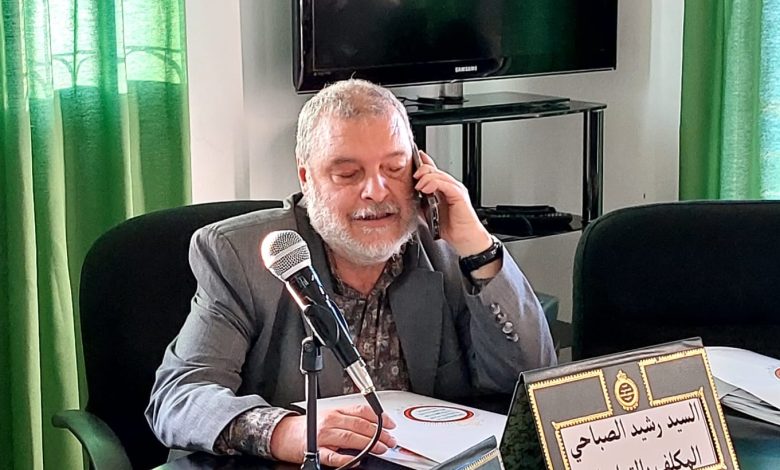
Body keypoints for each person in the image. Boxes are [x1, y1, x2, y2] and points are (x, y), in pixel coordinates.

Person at [146, 79, 556, 466]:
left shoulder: (445, 247)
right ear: (307, 177)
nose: (376, 191)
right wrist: (286, 432)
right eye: (348, 174)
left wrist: (479, 247)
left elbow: (533, 384)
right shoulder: (241, 255)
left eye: (394, 168)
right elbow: (178, 397)